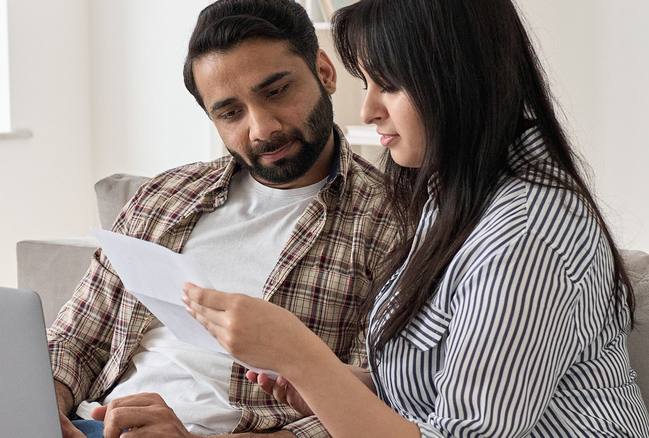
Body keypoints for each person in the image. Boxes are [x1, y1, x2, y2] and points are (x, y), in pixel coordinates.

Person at [183, 0, 649, 436]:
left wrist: (302, 356)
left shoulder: (525, 232)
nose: (368, 110)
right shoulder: (450, 198)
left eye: (388, 85)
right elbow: (432, 392)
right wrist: (337, 387)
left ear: (458, 77)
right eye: (367, 84)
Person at [46, 0, 397, 437]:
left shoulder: (394, 221)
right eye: (231, 113)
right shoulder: (164, 198)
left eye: (276, 91)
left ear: (324, 72)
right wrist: (43, 409)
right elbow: (73, 341)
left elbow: (380, 404)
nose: (261, 128)